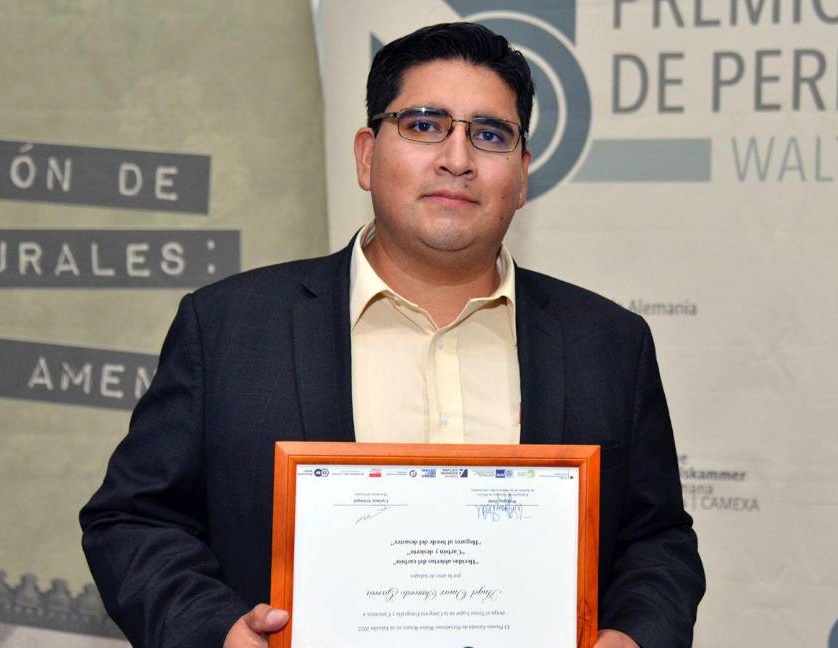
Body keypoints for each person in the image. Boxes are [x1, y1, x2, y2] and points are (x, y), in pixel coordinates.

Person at [80, 22, 704, 648]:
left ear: (521, 176)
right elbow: (132, 519)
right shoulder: (229, 328)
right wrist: (215, 633)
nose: (457, 159)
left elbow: (657, 542)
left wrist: (634, 636)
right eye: (424, 125)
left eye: (490, 135)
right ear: (366, 155)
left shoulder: (609, 343)